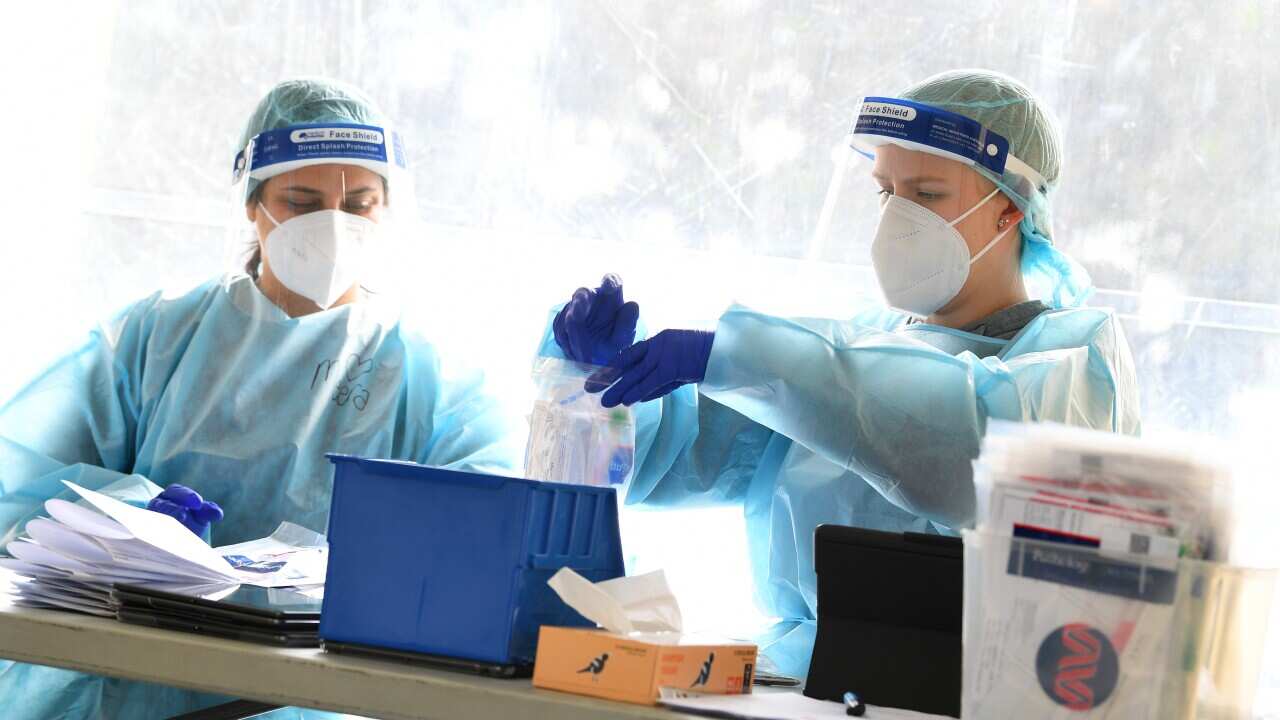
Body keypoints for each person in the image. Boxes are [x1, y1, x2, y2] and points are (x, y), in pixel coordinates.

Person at [544, 69, 1141, 678]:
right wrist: (607, 391)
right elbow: (675, 456)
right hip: (802, 680)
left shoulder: (1075, 360)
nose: (898, 217)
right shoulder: (844, 355)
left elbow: (969, 453)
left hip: (979, 697)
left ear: (1010, 208)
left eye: (928, 194)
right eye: (887, 191)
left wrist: (741, 358)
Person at [0, 78, 518, 719]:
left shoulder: (433, 381)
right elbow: (17, 480)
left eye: (360, 204)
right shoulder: (158, 339)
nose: (334, 225)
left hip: (325, 699)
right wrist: (127, 520)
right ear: (254, 205)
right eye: (303, 201)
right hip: (137, 684)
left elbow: (494, 540)